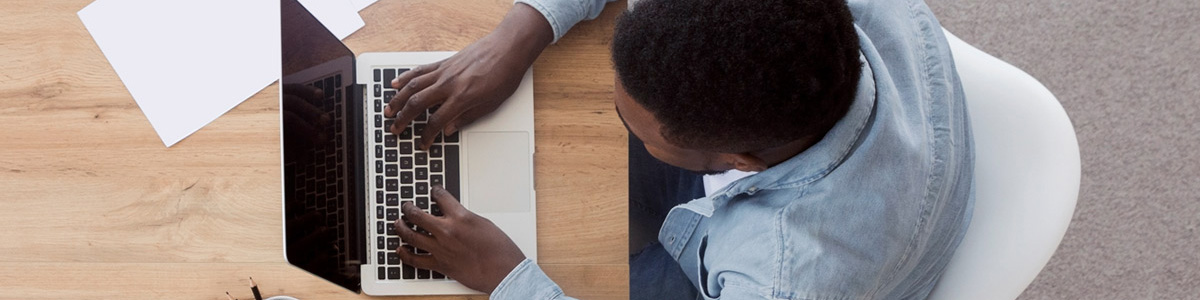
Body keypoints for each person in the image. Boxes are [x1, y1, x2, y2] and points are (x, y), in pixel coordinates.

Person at [386, 0, 975, 298]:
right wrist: (518, 37)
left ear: (735, 161)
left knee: (581, 266)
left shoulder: (778, 278)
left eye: (634, 124)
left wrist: (506, 277)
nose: (618, 117)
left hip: (811, 250)